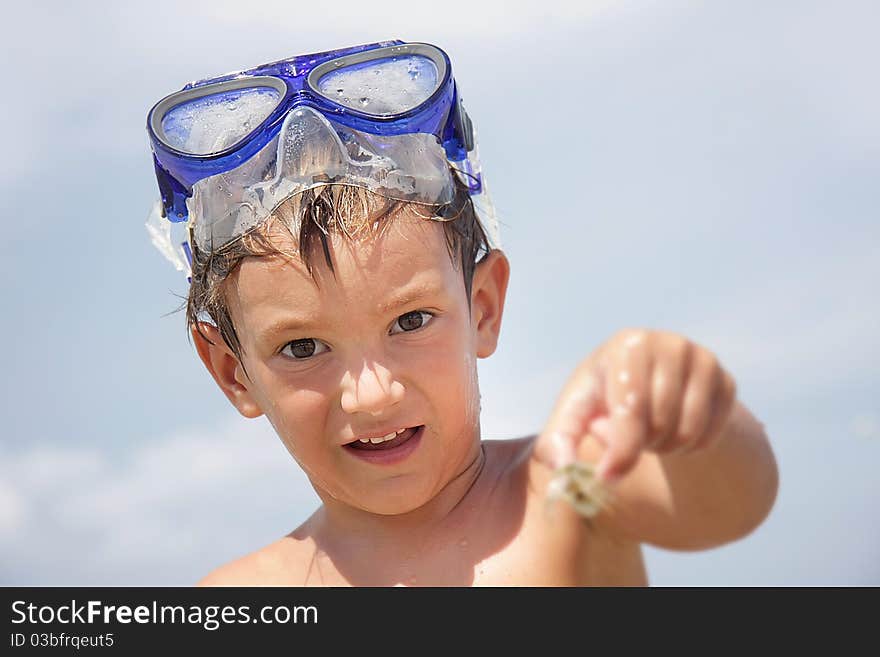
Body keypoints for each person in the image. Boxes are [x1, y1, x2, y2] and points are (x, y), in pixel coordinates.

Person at [145, 40, 779, 586]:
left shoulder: (567, 496)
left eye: (411, 322)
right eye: (304, 348)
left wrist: (696, 418)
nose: (371, 396)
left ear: (483, 308)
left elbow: (731, 501)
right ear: (233, 372)